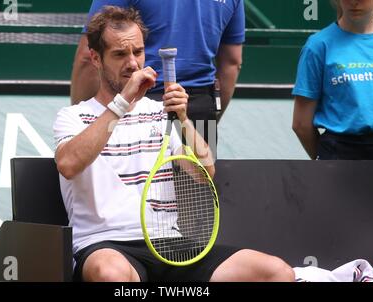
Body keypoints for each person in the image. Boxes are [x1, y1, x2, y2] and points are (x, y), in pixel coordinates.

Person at [54, 6, 294, 282]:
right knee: (110, 275)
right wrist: (121, 104)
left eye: (138, 52)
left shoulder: (159, 113)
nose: (132, 63)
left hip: (170, 245)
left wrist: (183, 119)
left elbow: (204, 173)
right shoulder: (73, 117)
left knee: (276, 272)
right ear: (95, 58)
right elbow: (69, 164)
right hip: (107, 245)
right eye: (120, 54)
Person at [70, 0, 245, 146]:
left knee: (127, 185)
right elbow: (232, 62)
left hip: (138, 101)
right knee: (199, 181)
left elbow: (87, 56)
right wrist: (209, 115)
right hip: (201, 106)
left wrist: (80, 124)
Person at [292, 0, 373, 160]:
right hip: (338, 153)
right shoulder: (317, 46)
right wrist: (326, 159)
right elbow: (301, 124)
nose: (354, 2)